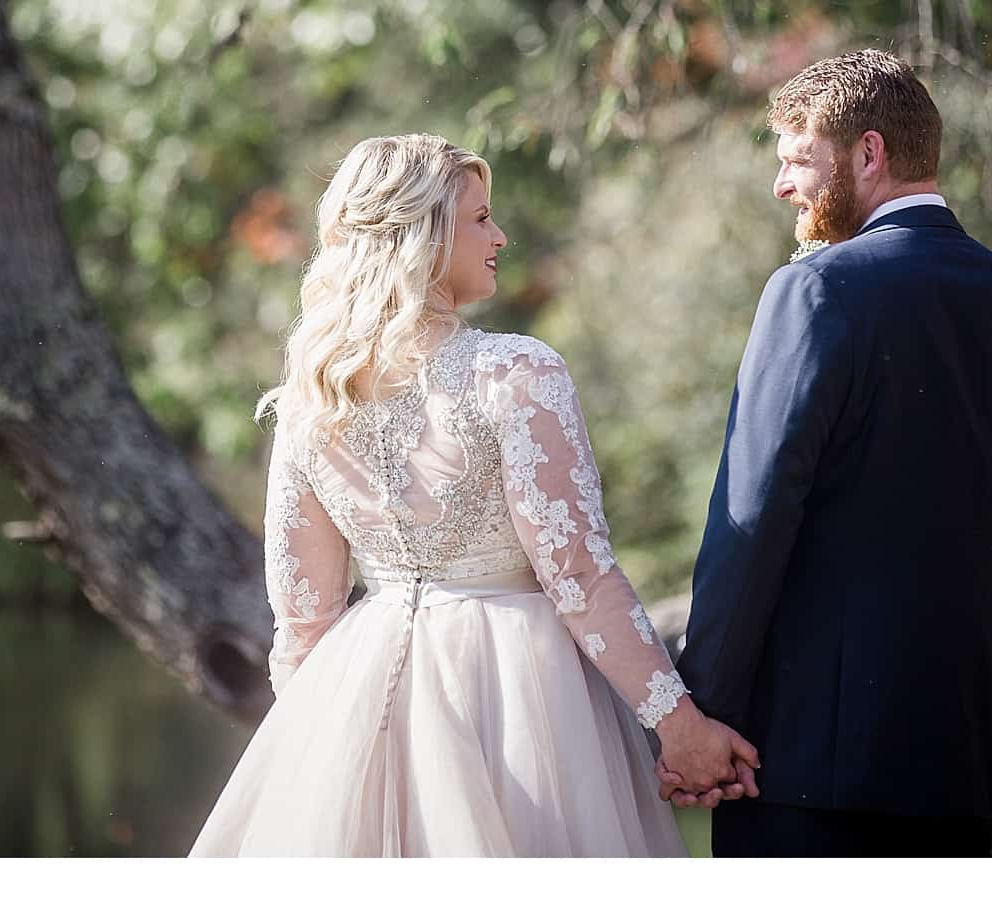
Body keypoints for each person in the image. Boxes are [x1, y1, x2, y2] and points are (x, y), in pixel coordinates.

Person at [190, 133, 757, 855]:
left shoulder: (314, 398)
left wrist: (308, 758)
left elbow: (303, 618)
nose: (502, 236)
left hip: (356, 687)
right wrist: (681, 727)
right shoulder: (517, 373)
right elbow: (579, 576)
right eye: (481, 218)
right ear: (423, 237)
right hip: (518, 698)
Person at [669, 50, 992, 858]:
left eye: (797, 160)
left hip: (809, 764)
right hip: (960, 758)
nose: (783, 186)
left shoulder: (816, 290)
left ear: (869, 153)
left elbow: (751, 518)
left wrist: (702, 715)